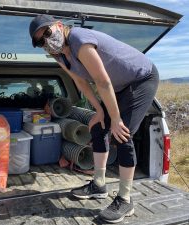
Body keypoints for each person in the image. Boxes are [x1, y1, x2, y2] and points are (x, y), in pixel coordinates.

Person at [29, 14, 159, 223]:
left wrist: (115, 119)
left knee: (122, 133)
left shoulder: (79, 39)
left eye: (47, 32)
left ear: (59, 26)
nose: (46, 40)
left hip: (141, 78)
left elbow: (102, 81)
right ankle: (99, 184)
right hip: (119, 87)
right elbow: (81, 83)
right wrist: (99, 111)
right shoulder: (59, 55)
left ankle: (125, 200)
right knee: (98, 127)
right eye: (40, 41)